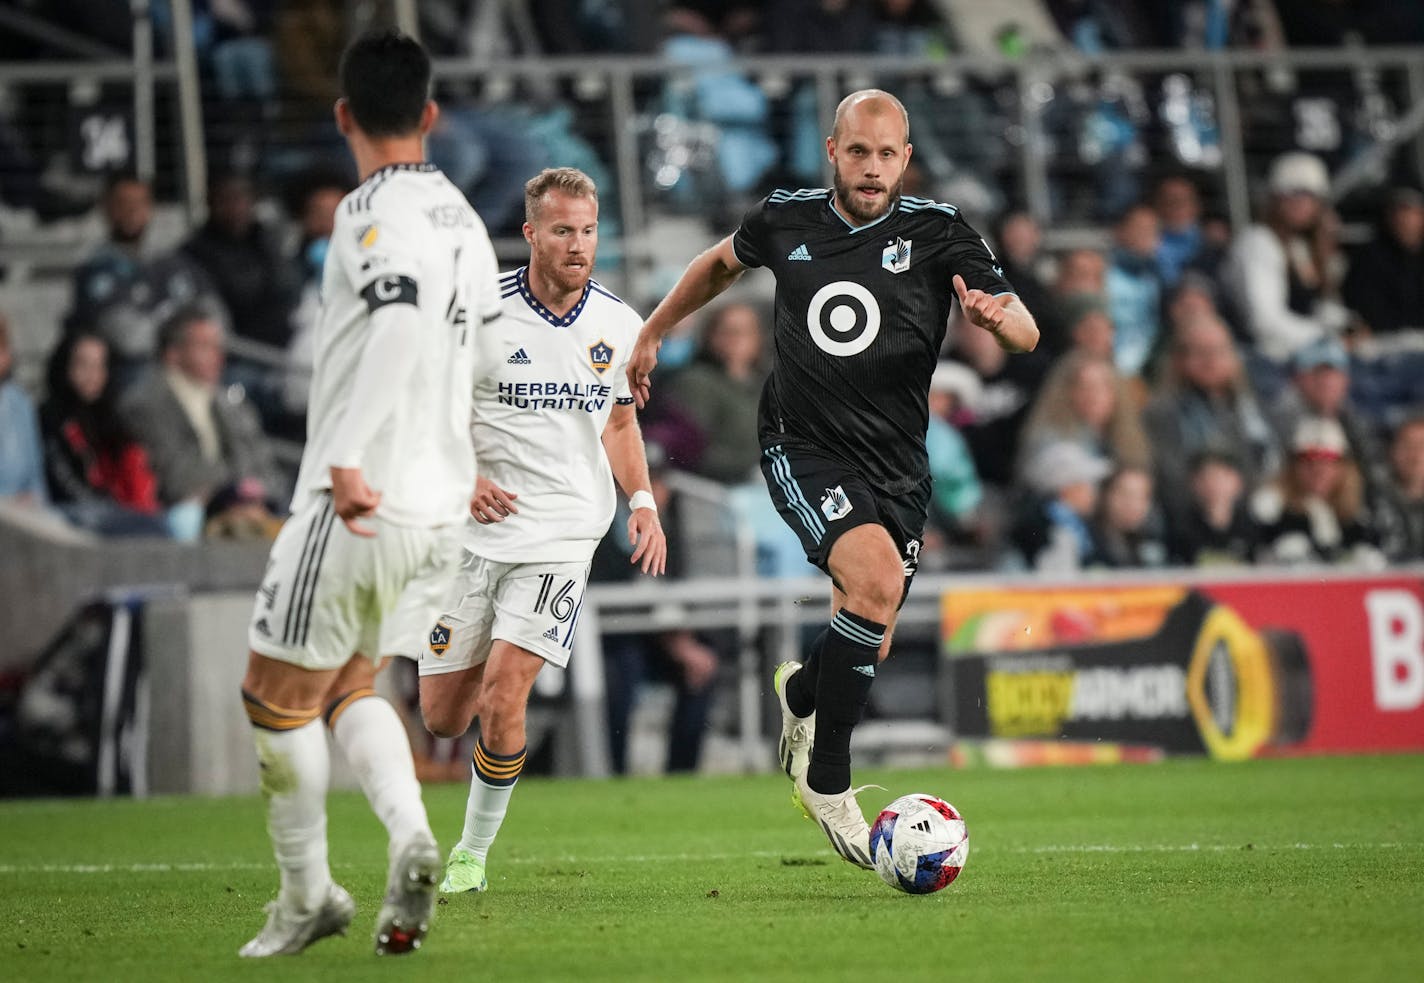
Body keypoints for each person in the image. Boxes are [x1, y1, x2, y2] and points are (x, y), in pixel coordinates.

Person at [626, 89, 1038, 869]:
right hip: (801, 444)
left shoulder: (940, 231)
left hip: (899, 466)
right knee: (876, 580)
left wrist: (996, 320)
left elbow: (1025, 328)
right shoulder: (788, 219)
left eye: (887, 154)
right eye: (858, 151)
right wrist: (652, 330)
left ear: (906, 158)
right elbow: (717, 267)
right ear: (833, 151)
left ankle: (801, 696)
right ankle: (828, 780)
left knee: (866, 642)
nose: (873, 167)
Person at [236, 30, 503, 958]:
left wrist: (347, 453)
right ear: (430, 116)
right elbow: (482, 351)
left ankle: (307, 892)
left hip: (363, 494)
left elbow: (396, 318)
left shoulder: (368, 208)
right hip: (440, 503)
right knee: (353, 681)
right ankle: (413, 835)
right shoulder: (467, 219)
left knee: (273, 695)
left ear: (344, 115)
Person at [417, 167, 667, 894]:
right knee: (442, 716)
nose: (578, 245)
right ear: (531, 233)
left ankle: (470, 853)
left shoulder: (620, 323)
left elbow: (620, 420)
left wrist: (642, 501)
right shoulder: (478, 313)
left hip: (561, 538)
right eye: (562, 230)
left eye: (588, 231)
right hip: (470, 537)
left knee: (503, 693)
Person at [119, 306, 283, 538]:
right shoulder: (146, 404)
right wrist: (229, 494)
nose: (217, 355)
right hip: (181, 510)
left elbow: (263, 463)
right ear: (173, 353)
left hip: (243, 505)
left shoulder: (232, 403)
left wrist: (250, 493)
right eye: (205, 346)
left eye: (218, 346)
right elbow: (173, 472)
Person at [38, 331, 168, 537]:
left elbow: (137, 478)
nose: (92, 374)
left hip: (118, 511)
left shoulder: (113, 420)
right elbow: (64, 483)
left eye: (99, 365)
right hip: (75, 511)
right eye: (83, 364)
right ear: (65, 367)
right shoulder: (50, 419)